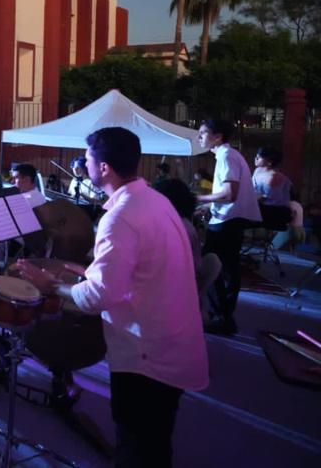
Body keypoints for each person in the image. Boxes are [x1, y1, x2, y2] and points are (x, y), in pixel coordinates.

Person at [17, 127, 208, 468]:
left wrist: (51, 285)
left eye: (87, 158)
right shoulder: (155, 200)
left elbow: (96, 299)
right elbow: (144, 270)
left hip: (148, 357)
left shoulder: (120, 217)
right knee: (155, 445)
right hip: (173, 341)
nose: (84, 163)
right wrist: (88, 270)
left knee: (136, 449)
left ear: (103, 167)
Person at [196, 118, 261, 335]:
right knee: (227, 269)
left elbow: (229, 194)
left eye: (203, 133)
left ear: (217, 136)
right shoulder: (229, 155)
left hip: (227, 220)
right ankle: (224, 317)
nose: (199, 137)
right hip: (229, 219)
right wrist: (208, 206)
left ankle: (221, 317)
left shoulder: (226, 156)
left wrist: (197, 198)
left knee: (212, 267)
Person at [253, 146, 293, 229]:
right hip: (261, 206)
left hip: (275, 210)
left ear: (269, 162)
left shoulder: (275, 177)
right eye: (256, 156)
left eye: (259, 157)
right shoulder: (258, 171)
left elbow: (273, 198)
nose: (256, 159)